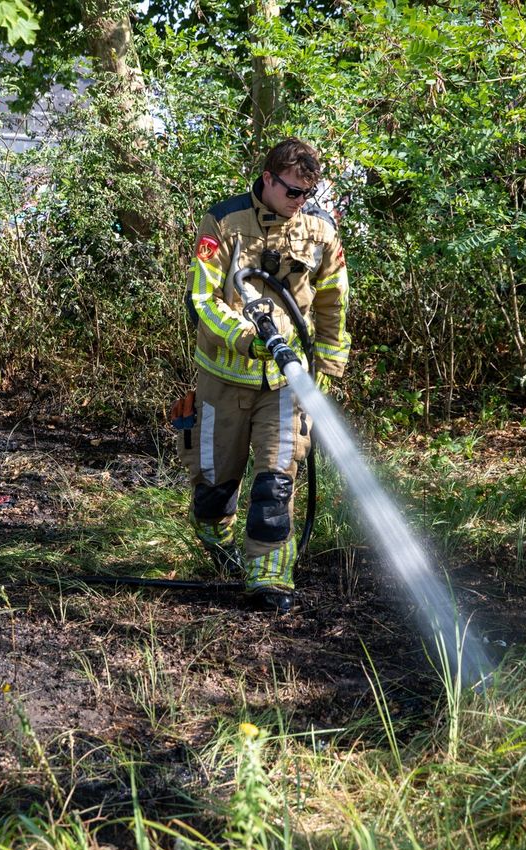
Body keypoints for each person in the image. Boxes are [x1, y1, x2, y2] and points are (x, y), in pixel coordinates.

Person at [174, 138, 350, 612]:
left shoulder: (319, 230)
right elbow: (202, 300)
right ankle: (219, 550)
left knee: (275, 487)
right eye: (292, 192)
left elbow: (333, 301)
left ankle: (269, 581)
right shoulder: (224, 222)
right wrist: (246, 338)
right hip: (224, 382)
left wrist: (327, 368)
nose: (299, 203)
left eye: (306, 195)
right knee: (213, 490)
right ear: (268, 179)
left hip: (285, 386)